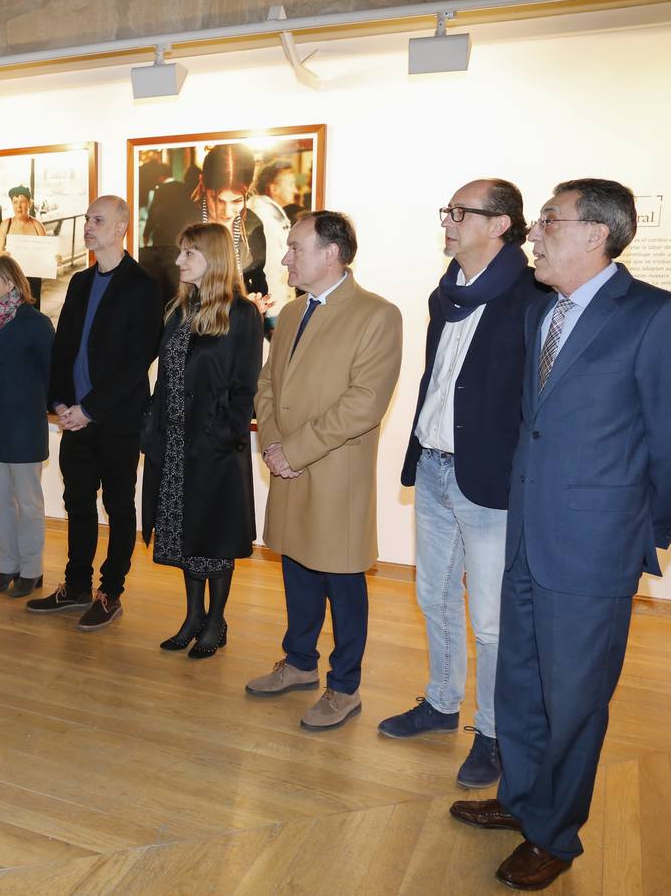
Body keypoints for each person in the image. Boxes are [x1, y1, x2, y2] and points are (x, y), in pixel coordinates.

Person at [451, 179, 671, 891]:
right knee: (523, 683)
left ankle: (555, 834)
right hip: (529, 537)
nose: (534, 233)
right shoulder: (544, 313)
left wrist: (639, 533)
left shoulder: (659, 317)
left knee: (574, 700)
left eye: (549, 221)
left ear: (596, 234)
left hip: (594, 550)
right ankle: (523, 800)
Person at [377, 180, 545, 787]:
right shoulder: (444, 294)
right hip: (435, 466)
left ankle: (495, 733)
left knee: (493, 620)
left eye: (460, 212)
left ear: (500, 225)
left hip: (489, 479)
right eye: (446, 210)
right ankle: (442, 703)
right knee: (433, 597)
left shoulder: (530, 298)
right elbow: (440, 381)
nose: (447, 222)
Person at [244, 211, 401, 730]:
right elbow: (267, 384)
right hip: (288, 462)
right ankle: (299, 663)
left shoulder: (377, 315)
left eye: (294, 248)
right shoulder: (290, 313)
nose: (284, 257)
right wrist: (271, 442)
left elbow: (364, 403)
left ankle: (345, 687)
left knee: (342, 579)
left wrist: (296, 449)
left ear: (331, 253)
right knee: (296, 566)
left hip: (333, 470)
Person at [27, 195, 160, 631]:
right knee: (77, 502)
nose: (87, 226)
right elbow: (64, 348)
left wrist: (91, 408)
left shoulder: (142, 285)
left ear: (121, 227)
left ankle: (110, 592)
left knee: (119, 505)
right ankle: (77, 585)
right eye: (86, 219)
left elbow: (137, 360)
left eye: (97, 220)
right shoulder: (81, 282)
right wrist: (61, 403)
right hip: (75, 418)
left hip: (116, 420)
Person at [141, 222, 262, 659]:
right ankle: (193, 616)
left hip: (213, 448)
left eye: (188, 253)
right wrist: (151, 427)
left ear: (211, 258)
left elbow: (246, 387)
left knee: (214, 537)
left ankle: (216, 620)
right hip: (173, 444)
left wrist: (225, 435)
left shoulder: (241, 314)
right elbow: (165, 379)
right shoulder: (177, 310)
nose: (178, 261)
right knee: (182, 535)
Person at [0, 254, 55, 599]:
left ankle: (31, 571)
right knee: (0, 503)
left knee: (29, 503)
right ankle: (8, 567)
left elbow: (52, 374)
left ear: (11, 282)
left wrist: (57, 410)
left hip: (23, 426)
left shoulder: (35, 323)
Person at [195, 143, 267, 302]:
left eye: (236, 201)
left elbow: (257, 279)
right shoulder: (184, 223)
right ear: (202, 183)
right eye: (218, 201)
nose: (227, 212)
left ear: (248, 189)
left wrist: (255, 303)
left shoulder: (252, 225)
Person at [249, 160, 298, 330]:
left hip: (276, 300)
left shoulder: (271, 213)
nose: (295, 190)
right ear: (274, 188)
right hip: (274, 302)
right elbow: (270, 262)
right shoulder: (265, 216)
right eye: (290, 184)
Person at [0, 185, 48, 307]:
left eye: (23, 201)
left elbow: (47, 254)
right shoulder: (5, 225)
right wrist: (0, 255)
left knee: (32, 315)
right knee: (12, 317)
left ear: (29, 203)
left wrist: (54, 260)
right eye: (15, 202)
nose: (18, 206)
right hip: (10, 280)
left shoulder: (37, 226)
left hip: (32, 281)